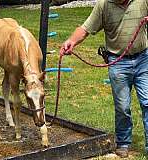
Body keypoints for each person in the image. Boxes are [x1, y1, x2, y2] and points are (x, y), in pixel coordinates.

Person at [60, 0, 148, 158]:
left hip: (143, 59)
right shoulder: (103, 5)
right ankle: (123, 143)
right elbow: (85, 28)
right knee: (122, 106)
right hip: (118, 63)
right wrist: (71, 41)